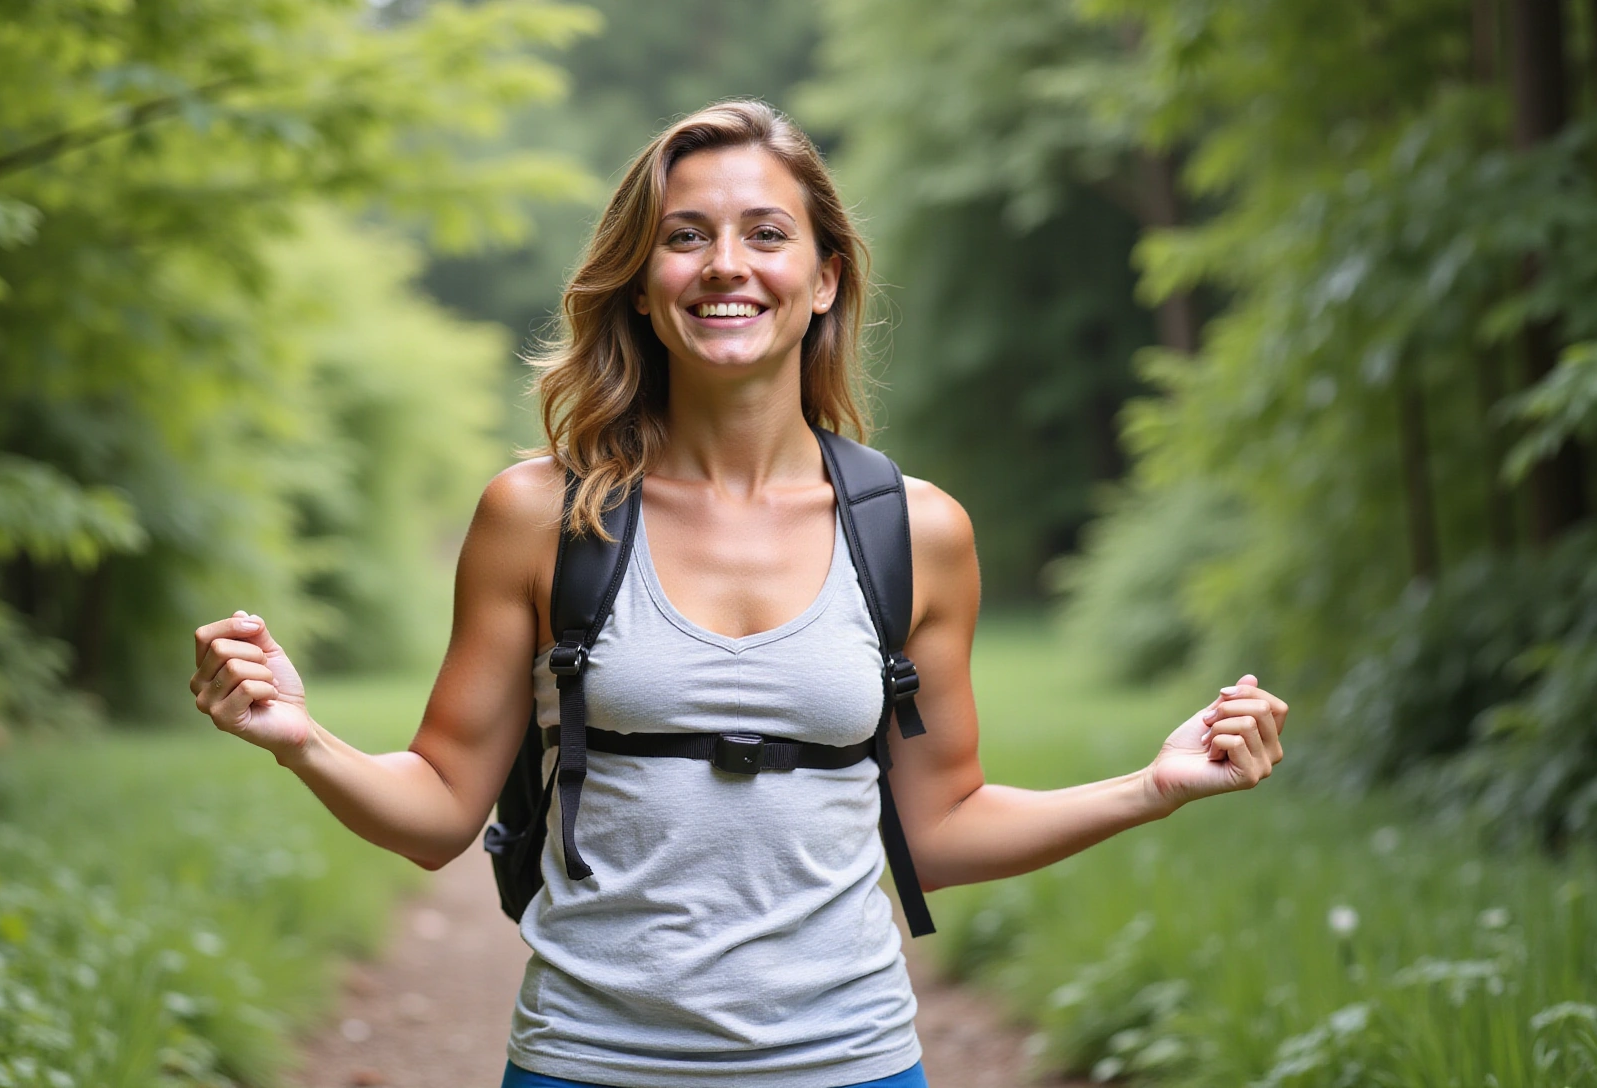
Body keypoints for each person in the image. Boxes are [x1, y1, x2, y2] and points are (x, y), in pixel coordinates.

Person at [189, 100, 1287, 1088]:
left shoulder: (916, 531)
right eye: (685, 236)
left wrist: (1154, 786)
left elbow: (941, 827)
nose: (726, 265)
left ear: (825, 278)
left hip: (852, 1061)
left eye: (765, 233)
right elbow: (439, 810)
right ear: (641, 281)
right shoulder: (539, 516)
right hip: (588, 1060)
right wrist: (301, 739)